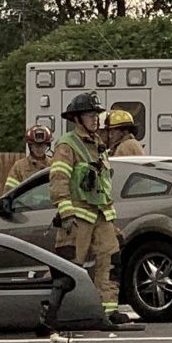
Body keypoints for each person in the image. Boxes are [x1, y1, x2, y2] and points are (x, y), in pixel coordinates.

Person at [49, 92, 133, 326]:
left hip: (102, 215)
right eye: (90, 115)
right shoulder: (68, 144)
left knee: (110, 259)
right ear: (77, 118)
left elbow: (103, 185)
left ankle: (107, 310)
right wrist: (65, 211)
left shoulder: (99, 145)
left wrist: (112, 221)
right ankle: (62, 313)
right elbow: (59, 177)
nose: (96, 119)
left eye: (97, 114)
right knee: (70, 265)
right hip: (77, 217)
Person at [3, 126, 52, 195]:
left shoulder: (53, 165)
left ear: (47, 146)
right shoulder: (19, 167)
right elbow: (9, 192)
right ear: (30, 146)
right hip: (26, 205)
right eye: (36, 146)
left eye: (42, 145)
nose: (39, 149)